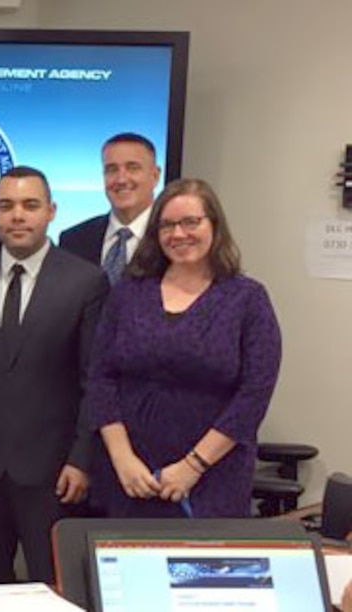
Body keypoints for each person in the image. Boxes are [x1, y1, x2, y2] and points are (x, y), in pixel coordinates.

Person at [0, 166, 107, 585]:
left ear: (51, 211)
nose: (17, 216)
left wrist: (82, 459)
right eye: (6, 206)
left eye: (30, 205)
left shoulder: (86, 281)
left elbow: (95, 381)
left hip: (54, 471)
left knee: (56, 586)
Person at [83, 178, 281, 519]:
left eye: (191, 222)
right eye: (167, 225)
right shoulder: (129, 293)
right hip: (131, 476)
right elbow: (100, 378)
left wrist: (193, 466)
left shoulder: (247, 298)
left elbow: (254, 395)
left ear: (214, 226)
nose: (178, 234)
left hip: (213, 478)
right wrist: (122, 458)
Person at [59, 133, 161, 284]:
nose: (121, 179)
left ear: (155, 176)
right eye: (112, 169)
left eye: (132, 168)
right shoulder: (73, 240)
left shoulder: (170, 239)